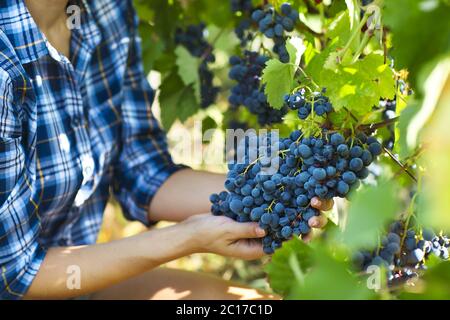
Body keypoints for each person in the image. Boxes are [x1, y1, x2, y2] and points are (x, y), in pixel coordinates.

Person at [0, 0, 332, 300]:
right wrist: (186, 239)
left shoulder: (105, 10)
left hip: (81, 285)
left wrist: (272, 193)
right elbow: (15, 276)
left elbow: (142, 170)